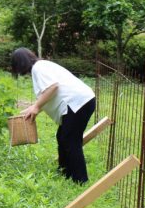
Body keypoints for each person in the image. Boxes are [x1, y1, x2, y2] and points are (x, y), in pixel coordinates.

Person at [12, 47, 96, 184]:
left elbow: (53, 87)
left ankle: (80, 179)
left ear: (20, 63)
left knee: (71, 140)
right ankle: (64, 171)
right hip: (81, 101)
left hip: (78, 103)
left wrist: (36, 106)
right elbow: (49, 94)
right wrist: (33, 108)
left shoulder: (38, 68)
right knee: (63, 137)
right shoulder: (42, 66)